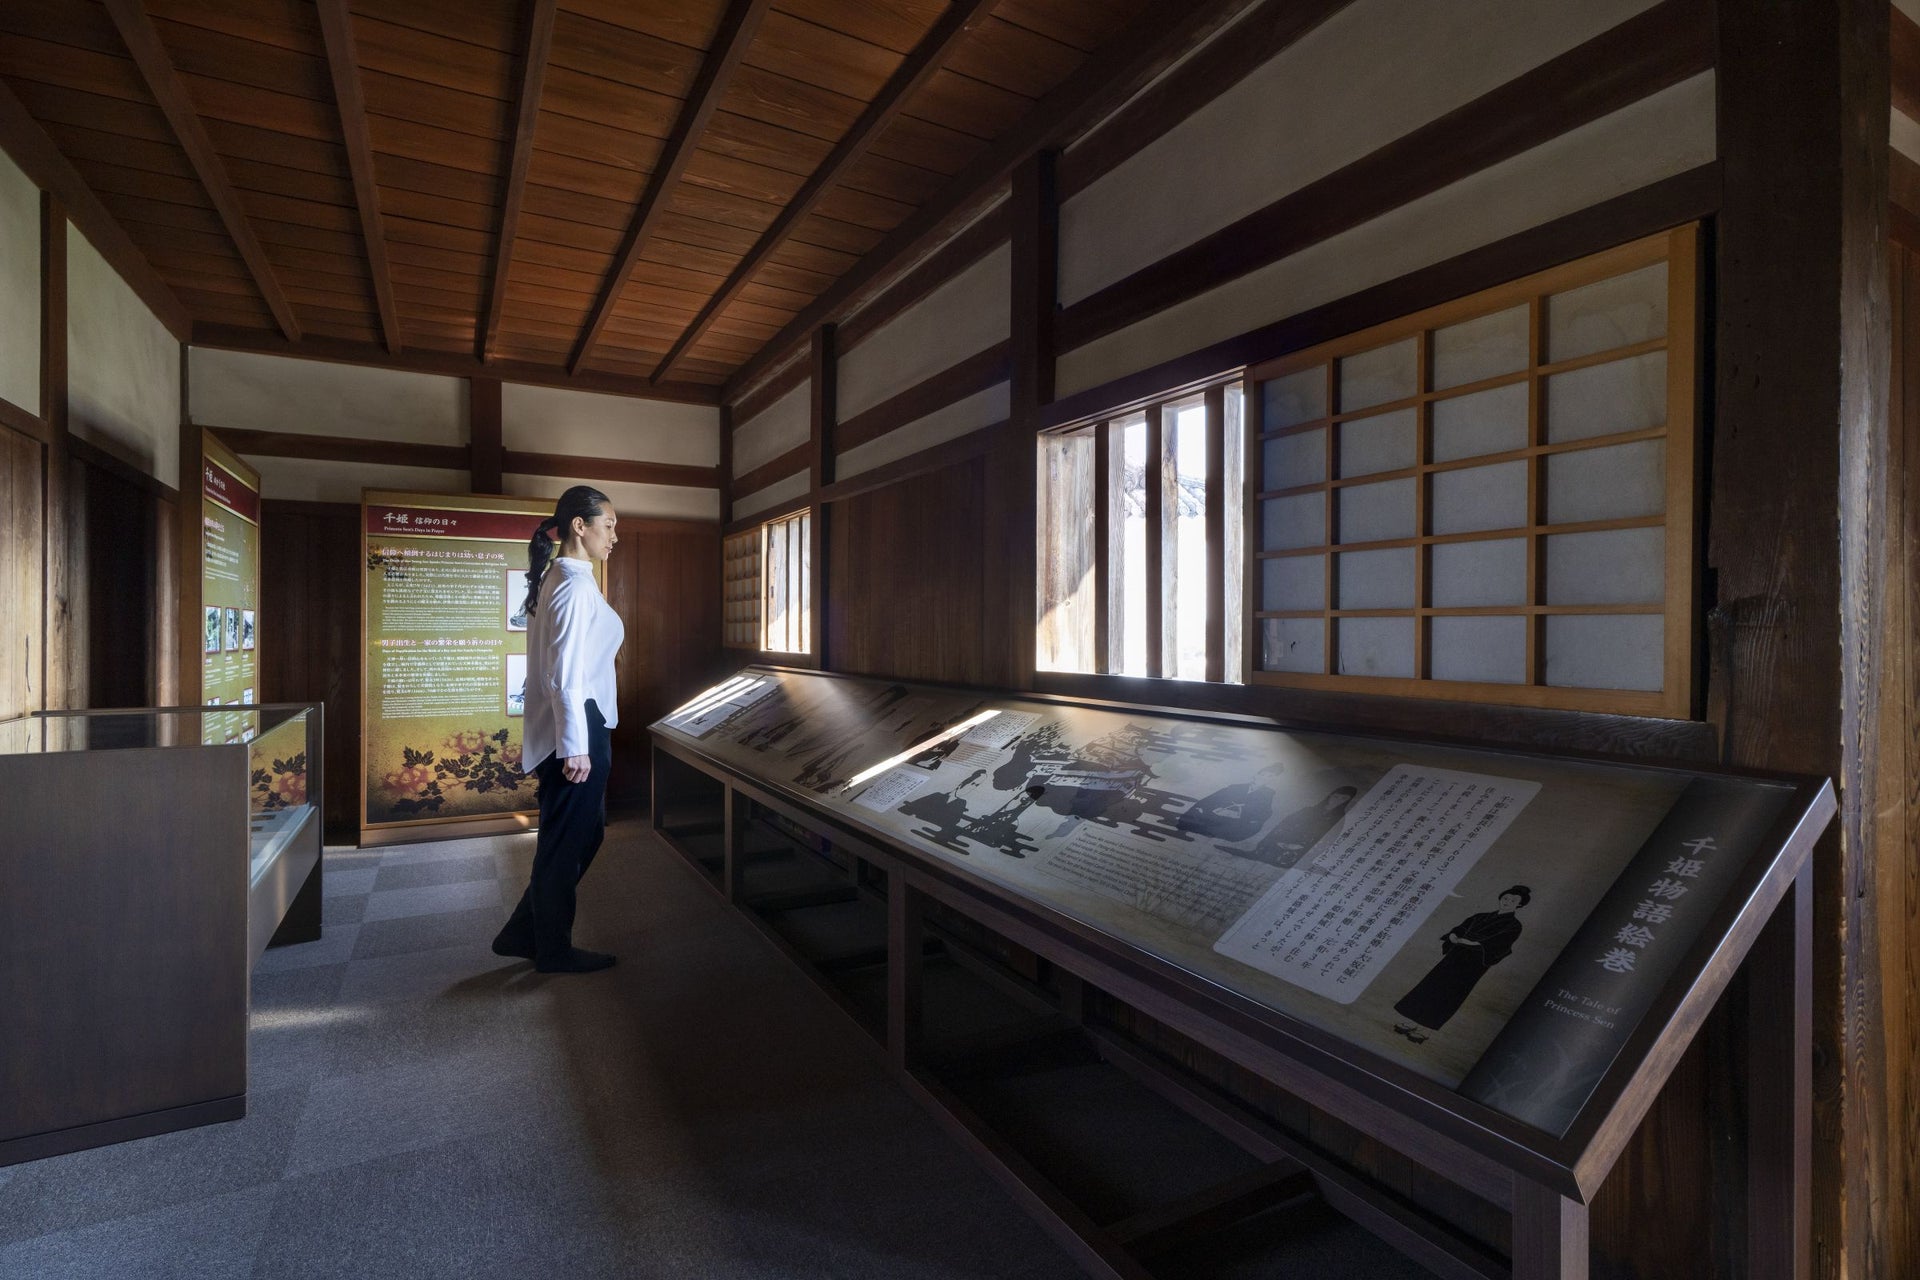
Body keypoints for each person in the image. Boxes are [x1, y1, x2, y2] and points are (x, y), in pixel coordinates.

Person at [492, 486, 622, 974]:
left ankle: (525, 932)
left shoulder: (566, 579)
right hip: (579, 727)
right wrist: (574, 747)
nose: (613, 536)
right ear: (579, 526)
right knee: (568, 841)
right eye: (608, 525)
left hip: (582, 723)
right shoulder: (570, 584)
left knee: (582, 836)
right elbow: (563, 671)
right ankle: (551, 947)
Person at [1392, 885, 1532, 1043]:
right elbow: (1461, 928)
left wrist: (1474, 943)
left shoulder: (1513, 925)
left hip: (1474, 963)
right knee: (1432, 985)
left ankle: (1426, 1029)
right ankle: (1412, 1020)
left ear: (1519, 905)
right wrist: (1453, 936)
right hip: (1456, 955)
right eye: (1506, 898)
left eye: (1513, 900)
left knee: (1451, 993)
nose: (1507, 901)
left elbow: (1499, 945)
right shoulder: (1480, 916)